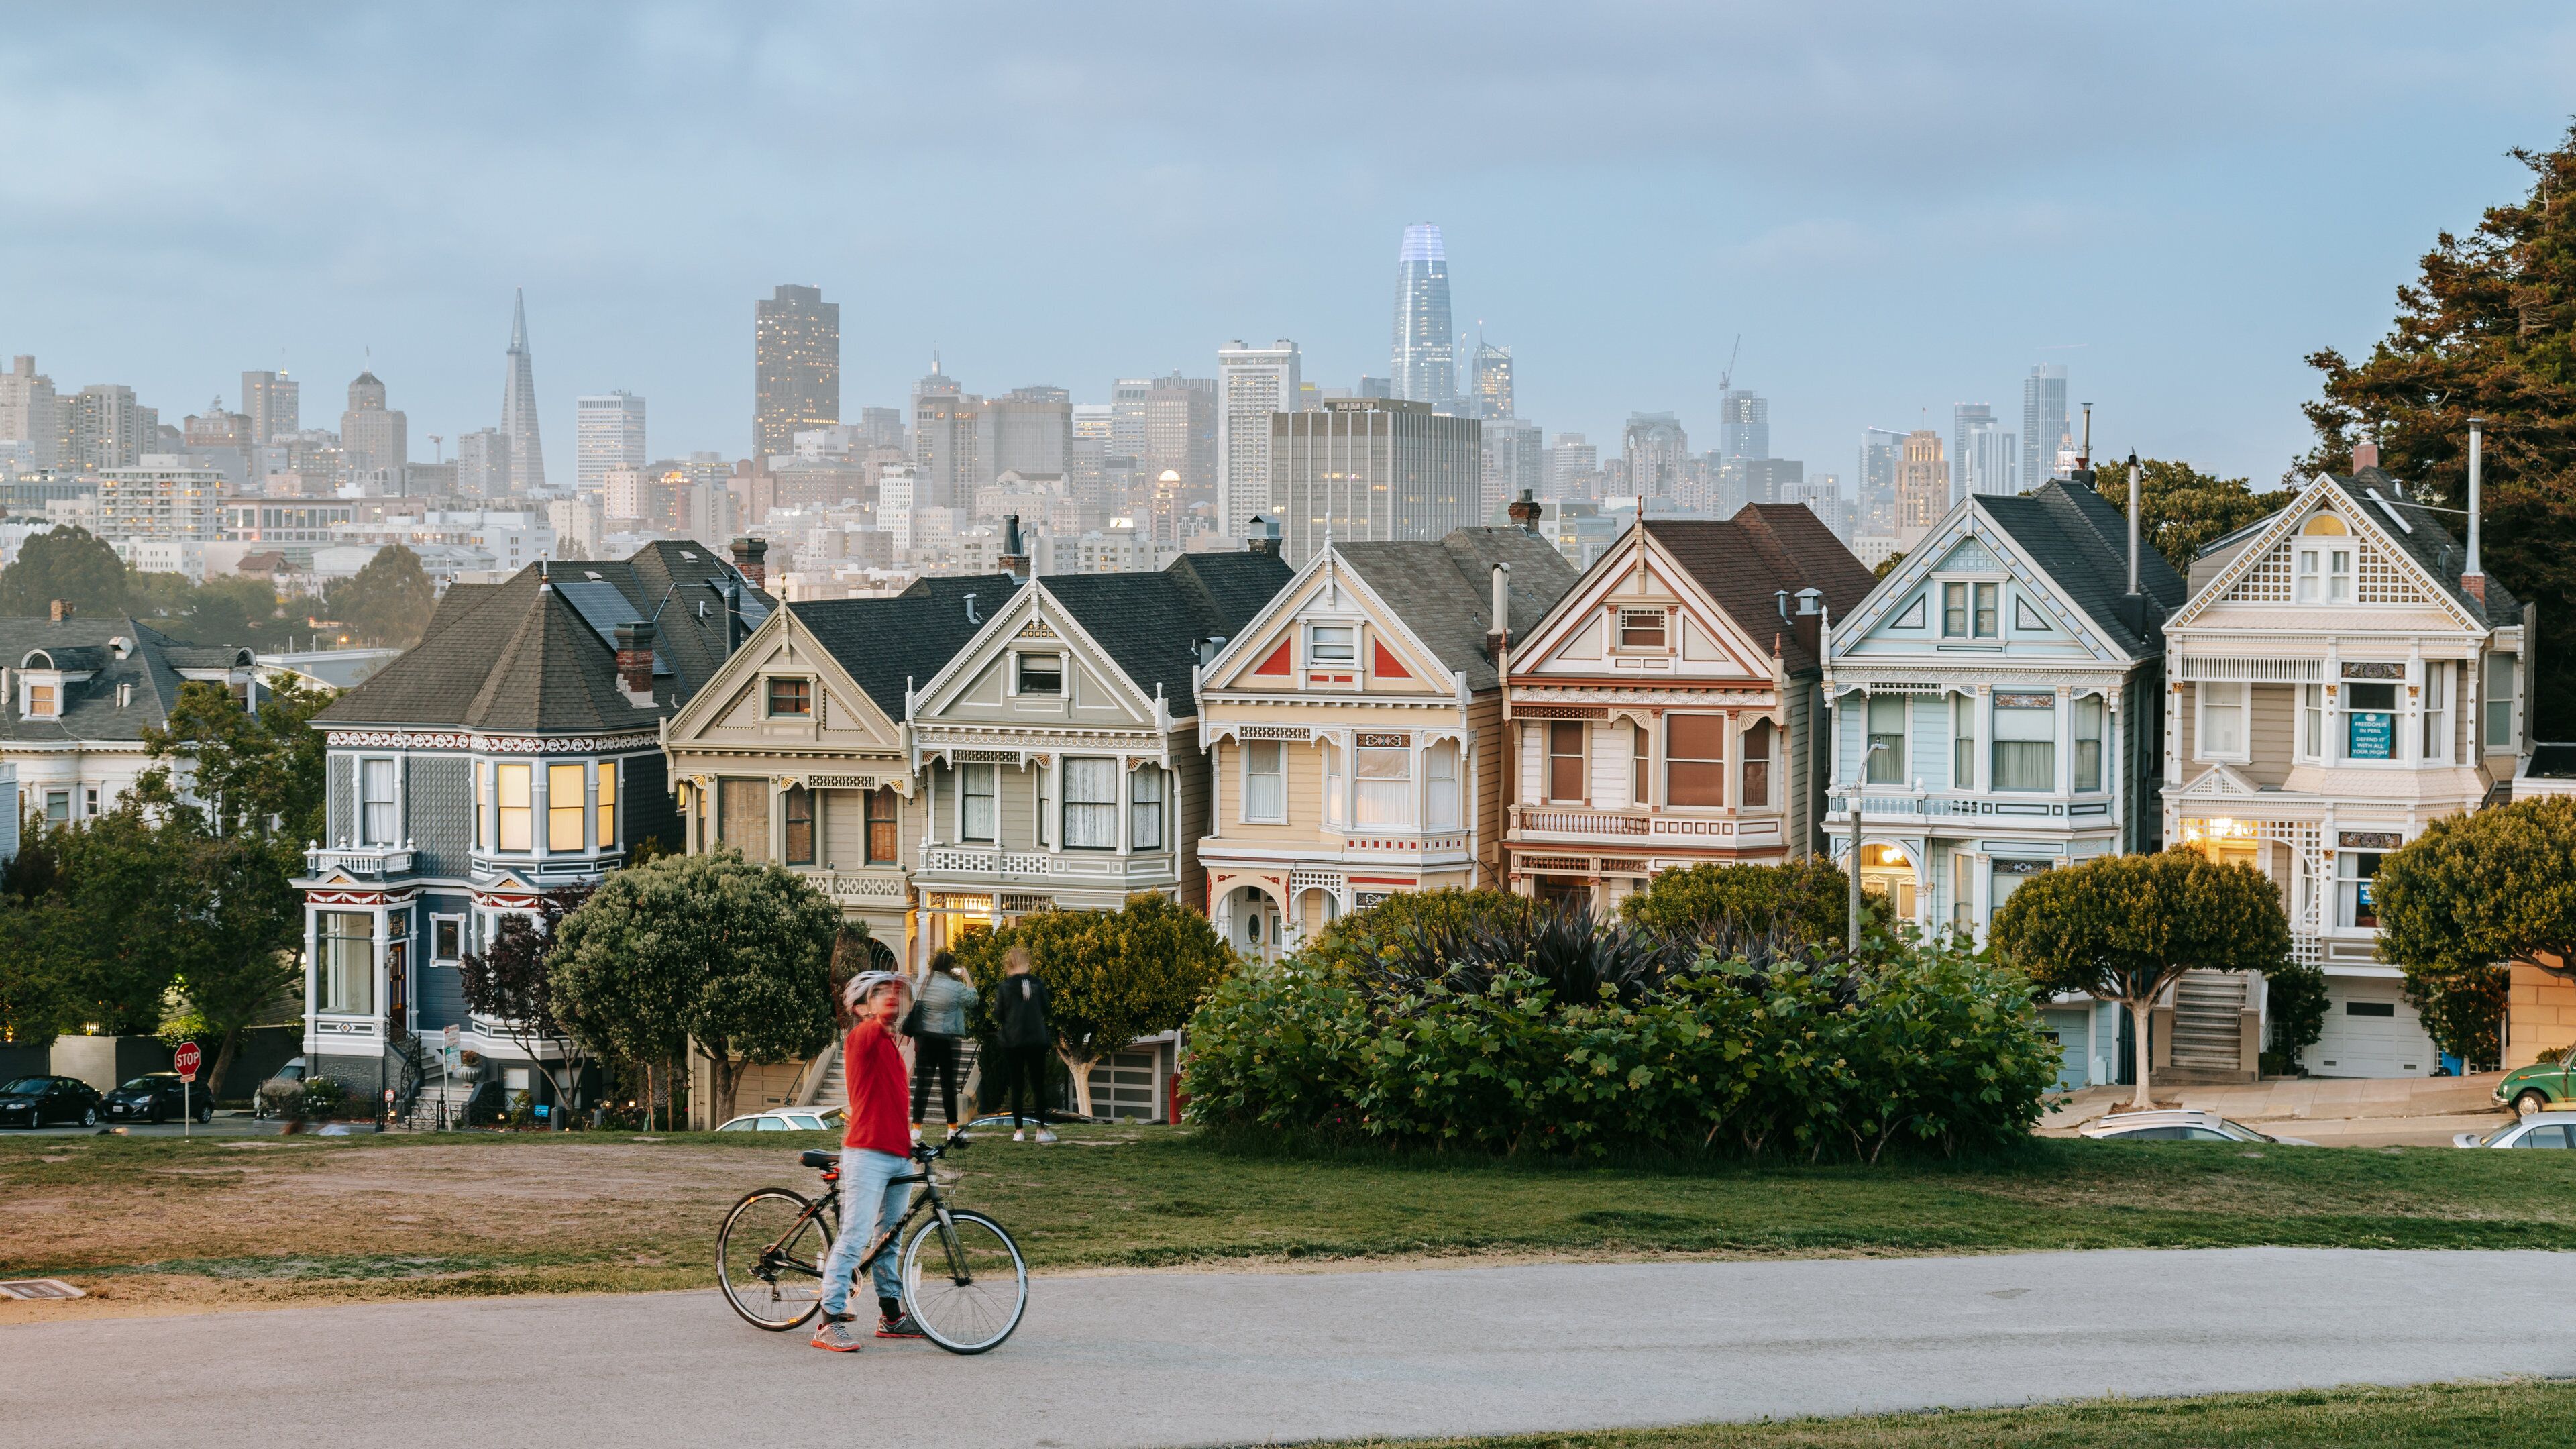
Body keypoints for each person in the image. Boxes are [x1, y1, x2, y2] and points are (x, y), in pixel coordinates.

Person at [813, 970, 926, 1352]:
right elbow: (884, 1021)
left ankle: (891, 1316)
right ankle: (827, 1322)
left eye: (889, 993)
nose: (888, 999)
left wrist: (913, 1146)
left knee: (889, 1240)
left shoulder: (891, 1047)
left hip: (897, 1155)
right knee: (855, 1237)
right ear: (861, 1007)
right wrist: (895, 994)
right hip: (866, 1153)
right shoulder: (862, 1037)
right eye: (877, 994)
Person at [909, 951, 979, 1140]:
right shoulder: (955, 987)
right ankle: (951, 1127)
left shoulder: (924, 982)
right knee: (947, 1085)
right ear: (951, 968)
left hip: (925, 1040)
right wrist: (967, 977)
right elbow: (973, 999)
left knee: (923, 1084)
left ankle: (916, 1128)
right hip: (947, 1040)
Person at [991, 944, 1056, 1143]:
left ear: (1009, 965)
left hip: (1013, 1042)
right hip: (1036, 1040)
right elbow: (1047, 1009)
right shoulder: (1038, 984)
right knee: (1038, 1086)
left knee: (1017, 1085)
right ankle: (1041, 1131)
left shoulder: (1004, 987)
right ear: (1027, 963)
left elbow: (998, 1014)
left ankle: (1018, 1131)